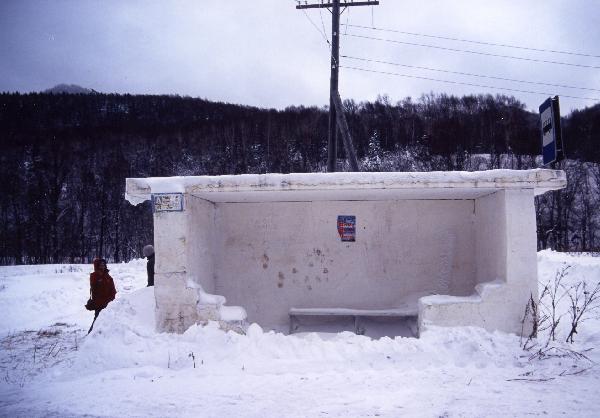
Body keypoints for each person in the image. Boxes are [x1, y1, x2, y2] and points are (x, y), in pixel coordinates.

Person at [87, 258, 117, 334]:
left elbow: (112, 288)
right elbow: (94, 287)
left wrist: (112, 298)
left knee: (105, 319)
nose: (103, 267)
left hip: (108, 302)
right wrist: (99, 274)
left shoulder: (108, 276)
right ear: (97, 266)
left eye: (104, 265)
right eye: (101, 265)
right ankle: (90, 335)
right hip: (99, 303)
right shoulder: (94, 276)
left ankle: (103, 335)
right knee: (97, 319)